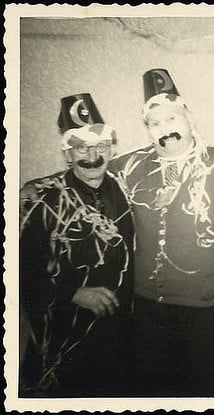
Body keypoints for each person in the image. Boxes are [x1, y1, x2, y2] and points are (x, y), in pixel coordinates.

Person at [104, 68, 214, 396]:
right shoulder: (130, 167)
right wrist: (36, 187)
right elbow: (89, 171)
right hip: (148, 309)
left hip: (208, 306)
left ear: (189, 118)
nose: (165, 129)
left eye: (172, 118)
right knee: (154, 393)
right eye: (154, 123)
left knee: (206, 391)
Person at [19, 93, 135, 397]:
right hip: (65, 344)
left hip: (120, 339)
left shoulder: (126, 187)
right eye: (81, 147)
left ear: (112, 149)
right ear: (67, 154)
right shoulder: (43, 203)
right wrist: (74, 293)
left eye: (101, 146)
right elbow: (20, 273)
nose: (93, 156)